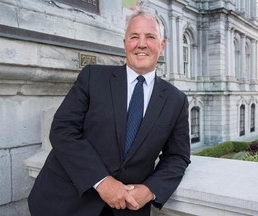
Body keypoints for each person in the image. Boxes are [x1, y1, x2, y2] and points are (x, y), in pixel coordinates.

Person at [28, 9, 190, 216]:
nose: (141, 44)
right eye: (134, 37)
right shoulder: (92, 78)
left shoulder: (176, 100)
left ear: (162, 45)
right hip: (66, 202)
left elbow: (177, 156)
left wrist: (150, 190)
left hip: (128, 209)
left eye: (150, 37)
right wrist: (101, 181)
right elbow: (62, 129)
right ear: (125, 43)